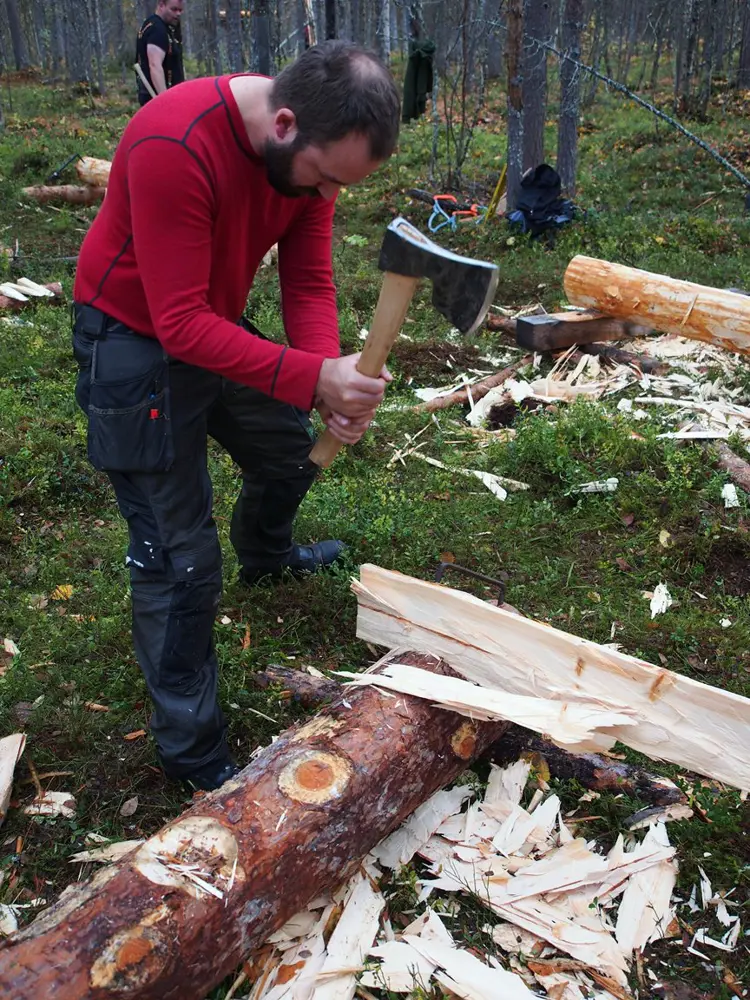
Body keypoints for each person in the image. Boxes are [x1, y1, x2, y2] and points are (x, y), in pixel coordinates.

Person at [72, 42, 401, 792]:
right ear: (284, 123)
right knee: (180, 558)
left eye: (340, 187)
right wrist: (314, 375)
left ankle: (268, 555)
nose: (324, 199)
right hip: (132, 340)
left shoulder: (315, 156)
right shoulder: (173, 140)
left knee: (291, 451)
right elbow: (177, 323)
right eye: (322, 179)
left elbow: (310, 276)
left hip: (204, 322)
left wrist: (326, 382)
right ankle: (193, 756)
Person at [135, 0, 185, 106]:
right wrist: (165, 101)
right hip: (155, 99)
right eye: (174, 9)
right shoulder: (156, 28)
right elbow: (155, 65)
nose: (178, 14)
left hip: (167, 95)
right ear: (161, 5)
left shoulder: (166, 27)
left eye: (180, 10)